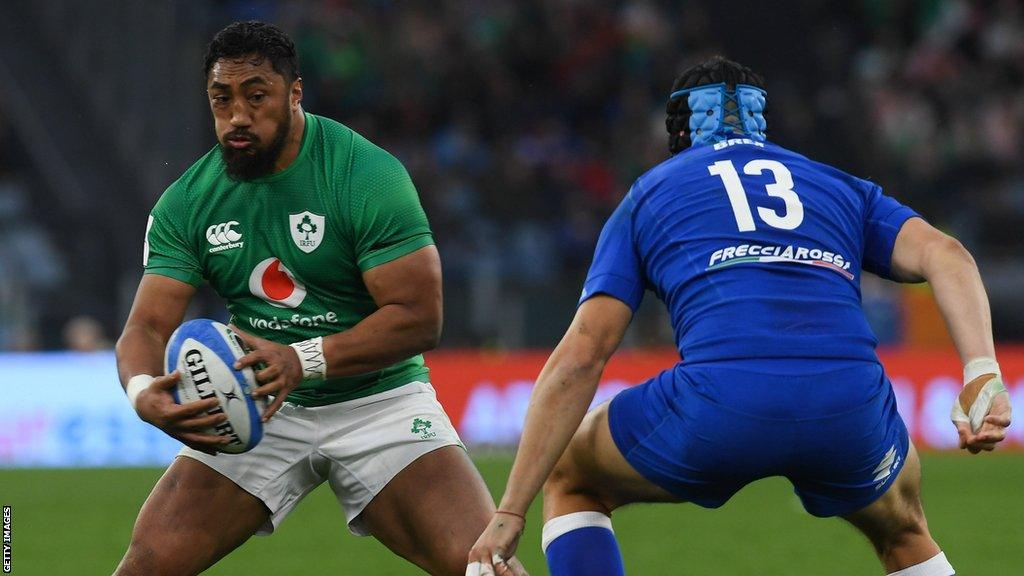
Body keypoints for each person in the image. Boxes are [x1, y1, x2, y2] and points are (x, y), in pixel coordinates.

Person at [467, 56, 1011, 576]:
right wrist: (981, 369)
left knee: (572, 475)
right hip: (847, 404)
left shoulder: (649, 195)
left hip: (720, 404)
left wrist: (510, 511)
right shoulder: (840, 186)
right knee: (903, 530)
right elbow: (949, 255)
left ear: (677, 133)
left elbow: (584, 354)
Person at [114, 21, 525, 576]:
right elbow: (145, 327)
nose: (237, 115)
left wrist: (300, 360)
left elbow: (420, 319)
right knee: (145, 566)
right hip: (259, 404)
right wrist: (142, 392)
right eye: (222, 99)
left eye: (256, 96)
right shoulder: (187, 203)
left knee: (485, 568)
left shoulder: (366, 175)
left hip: (379, 401)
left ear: (294, 93)